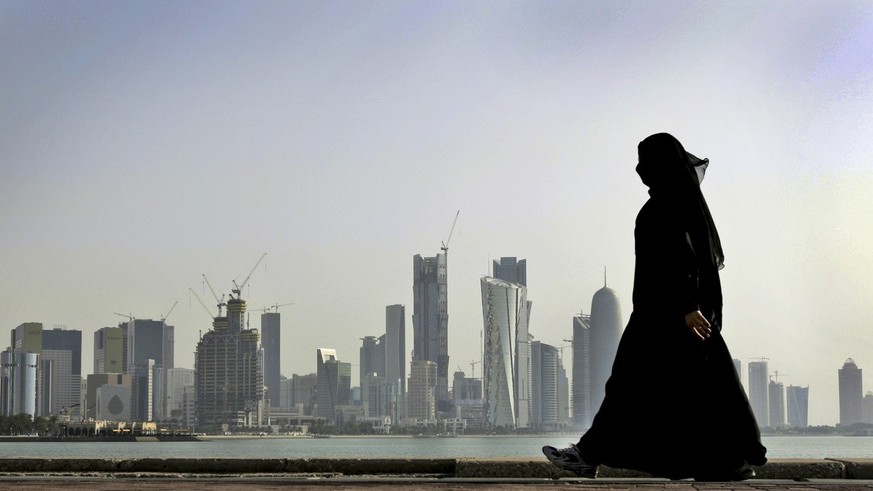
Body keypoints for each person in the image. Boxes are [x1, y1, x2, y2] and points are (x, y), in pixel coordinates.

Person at [543, 133, 767, 481]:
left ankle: (587, 455)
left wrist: (689, 307)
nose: (639, 169)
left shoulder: (669, 206)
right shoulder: (672, 203)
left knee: (632, 388)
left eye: (645, 160)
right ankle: (724, 463)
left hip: (668, 316)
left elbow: (685, 260)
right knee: (690, 392)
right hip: (663, 313)